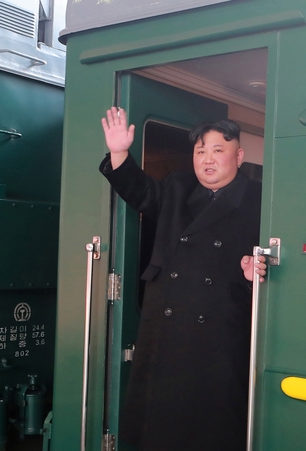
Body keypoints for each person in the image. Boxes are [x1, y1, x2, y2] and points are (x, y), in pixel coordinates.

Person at [99, 107, 265, 451]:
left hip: (221, 328)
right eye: (200, 151)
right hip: (167, 324)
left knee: (212, 421)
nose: (208, 160)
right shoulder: (177, 186)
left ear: (239, 155)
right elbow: (140, 191)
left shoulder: (261, 199)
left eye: (218, 150)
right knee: (161, 420)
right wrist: (119, 152)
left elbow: (276, 261)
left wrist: (257, 274)